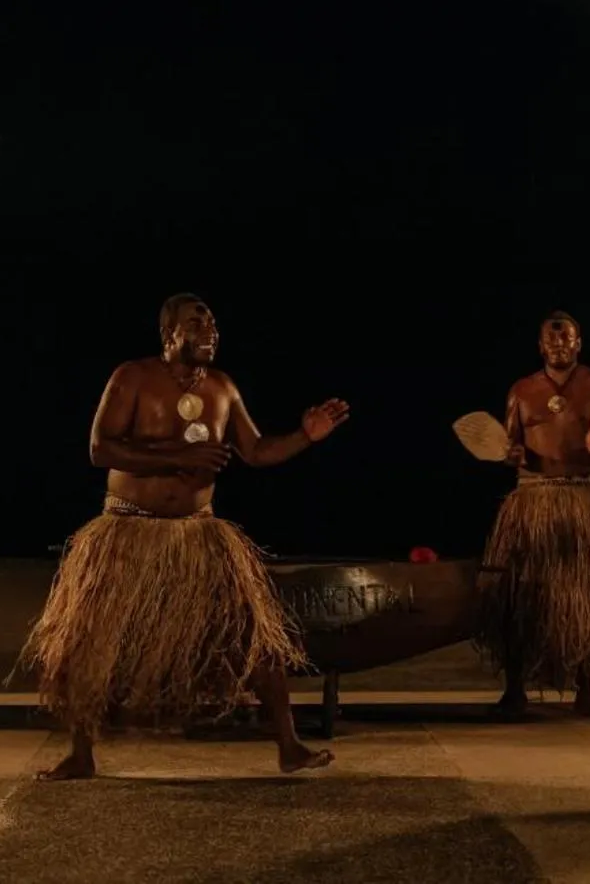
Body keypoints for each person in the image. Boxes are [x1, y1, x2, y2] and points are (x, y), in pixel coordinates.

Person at [18, 293, 349, 780]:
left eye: (214, 323)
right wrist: (178, 459)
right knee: (91, 638)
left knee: (254, 635)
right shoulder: (132, 377)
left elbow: (256, 452)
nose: (210, 329)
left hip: (199, 536)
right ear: (169, 332)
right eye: (197, 322)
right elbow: (100, 448)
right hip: (126, 530)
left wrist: (305, 436)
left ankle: (289, 745)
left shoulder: (222, 388)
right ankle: (81, 753)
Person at [476, 311, 590, 719]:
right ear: (541, 346)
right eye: (552, 342)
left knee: (587, 594)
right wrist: (509, 454)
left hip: (584, 499)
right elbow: (509, 446)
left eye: (566, 341)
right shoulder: (522, 390)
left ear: (578, 344)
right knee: (519, 593)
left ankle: (585, 691)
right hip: (533, 501)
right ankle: (515, 690)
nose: (559, 347)